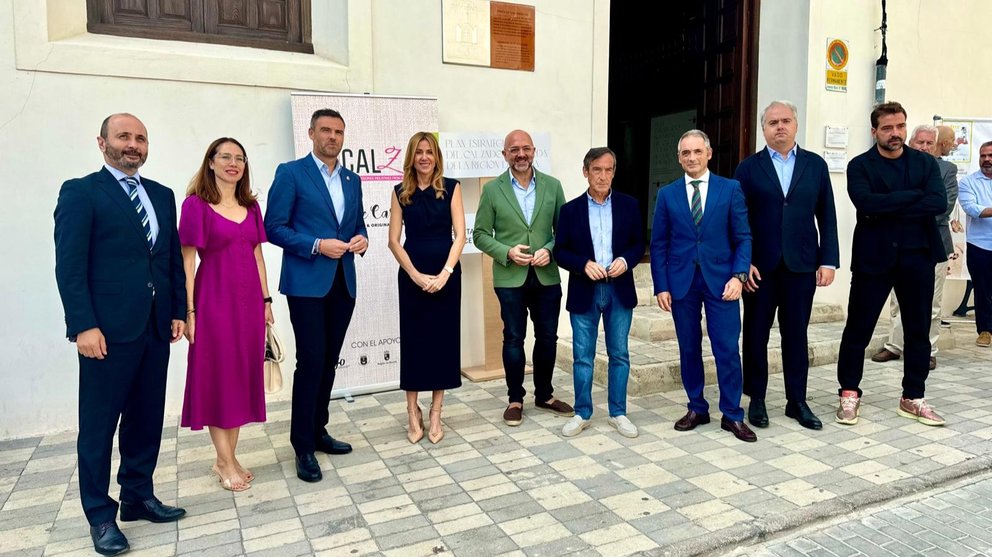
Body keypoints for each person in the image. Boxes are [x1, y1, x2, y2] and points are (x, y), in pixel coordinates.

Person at [54, 113, 187, 556]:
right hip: (105, 333)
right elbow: (70, 267)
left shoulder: (162, 196)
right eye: (124, 136)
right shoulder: (81, 193)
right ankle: (99, 515)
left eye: (141, 138)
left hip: (154, 327)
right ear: (102, 142)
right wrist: (82, 326)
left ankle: (137, 495)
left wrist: (176, 311)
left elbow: (169, 260)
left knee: (146, 418)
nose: (133, 144)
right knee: (98, 426)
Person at [264, 108, 368, 482]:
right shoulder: (290, 173)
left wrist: (362, 239)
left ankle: (319, 430)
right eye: (325, 130)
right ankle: (302, 445)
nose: (333, 137)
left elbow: (356, 224)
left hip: (343, 281)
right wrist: (315, 245)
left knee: (328, 361)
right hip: (307, 284)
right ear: (311, 133)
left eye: (339, 131)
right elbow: (273, 227)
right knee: (310, 361)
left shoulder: (352, 180)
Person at [835, 102, 948, 427]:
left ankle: (913, 397)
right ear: (875, 132)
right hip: (874, 258)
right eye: (888, 128)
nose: (895, 133)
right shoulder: (860, 166)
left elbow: (938, 203)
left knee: (917, 332)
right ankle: (849, 393)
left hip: (918, 256)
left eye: (900, 126)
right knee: (858, 330)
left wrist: (887, 206)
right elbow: (866, 203)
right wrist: (913, 197)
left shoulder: (925, 164)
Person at [735, 100, 839, 430]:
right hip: (759, 269)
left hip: (802, 266)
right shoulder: (748, 168)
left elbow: (827, 215)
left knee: (796, 334)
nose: (779, 126)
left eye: (785, 121)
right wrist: (743, 262)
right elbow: (738, 220)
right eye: (772, 122)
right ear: (763, 129)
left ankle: (797, 401)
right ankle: (757, 399)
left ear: (795, 125)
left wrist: (829, 260)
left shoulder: (815, 166)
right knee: (754, 335)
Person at [179, 138, 274, 492]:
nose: (233, 163)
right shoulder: (195, 206)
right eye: (225, 157)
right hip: (213, 302)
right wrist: (189, 310)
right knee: (217, 378)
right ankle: (225, 459)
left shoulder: (251, 206)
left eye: (239, 158)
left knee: (239, 378)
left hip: (249, 304)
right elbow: (187, 262)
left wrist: (266, 301)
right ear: (212, 163)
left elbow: (257, 256)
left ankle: (226, 458)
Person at [651, 129, 756, 442]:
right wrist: (661, 285)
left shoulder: (730, 189)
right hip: (682, 282)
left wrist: (739, 277)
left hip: (722, 281)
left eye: (697, 152)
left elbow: (743, 238)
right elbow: (658, 244)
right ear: (679, 157)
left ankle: (733, 414)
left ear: (709, 154)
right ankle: (697, 406)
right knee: (688, 347)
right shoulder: (667, 194)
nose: (692, 158)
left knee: (726, 348)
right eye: (686, 153)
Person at [473, 129, 575, 426]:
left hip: (546, 276)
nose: (521, 154)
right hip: (510, 278)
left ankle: (544, 395)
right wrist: (506, 251)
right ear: (505, 154)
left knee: (547, 337)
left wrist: (550, 250)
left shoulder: (553, 186)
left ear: (534, 152)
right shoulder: (493, 190)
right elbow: (479, 235)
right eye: (514, 149)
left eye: (526, 149)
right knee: (514, 338)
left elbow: (563, 232)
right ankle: (515, 399)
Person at [554, 147, 645, 438]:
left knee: (619, 353)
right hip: (585, 290)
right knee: (583, 356)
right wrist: (583, 264)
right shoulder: (570, 210)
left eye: (608, 170)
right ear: (585, 172)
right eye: (597, 170)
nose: (603, 176)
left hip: (619, 289)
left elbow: (637, 243)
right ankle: (583, 412)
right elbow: (560, 251)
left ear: (614, 172)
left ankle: (618, 412)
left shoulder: (629, 205)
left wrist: (625, 260)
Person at [387, 132, 466, 444]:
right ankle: (411, 410)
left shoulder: (452, 188)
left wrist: (445, 272)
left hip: (446, 276)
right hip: (412, 276)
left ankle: (435, 411)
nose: (424, 157)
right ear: (411, 157)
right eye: (418, 152)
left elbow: (459, 235)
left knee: (442, 343)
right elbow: (393, 241)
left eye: (429, 152)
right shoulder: (400, 192)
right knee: (416, 343)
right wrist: (415, 275)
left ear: (436, 157)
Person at [872, 125, 959, 369]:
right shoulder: (900, 166)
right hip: (899, 243)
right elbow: (886, 203)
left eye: (929, 143)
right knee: (898, 300)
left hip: (934, 245)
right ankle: (894, 345)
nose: (923, 147)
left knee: (930, 301)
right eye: (919, 142)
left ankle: (928, 349)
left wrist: (904, 210)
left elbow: (943, 207)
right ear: (910, 142)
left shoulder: (947, 170)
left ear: (936, 146)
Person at [957, 140, 992, 348]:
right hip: (980, 245)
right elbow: (972, 209)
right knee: (982, 289)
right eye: (983, 155)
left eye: (990, 155)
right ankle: (985, 330)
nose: (987, 159)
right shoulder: (968, 182)